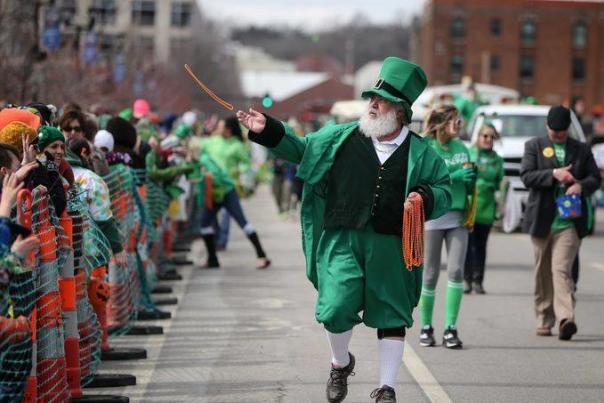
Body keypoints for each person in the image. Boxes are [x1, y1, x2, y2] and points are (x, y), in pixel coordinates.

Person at [238, 57, 451, 403]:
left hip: (392, 244)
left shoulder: (423, 154)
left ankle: (386, 388)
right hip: (342, 238)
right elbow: (302, 149)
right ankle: (340, 364)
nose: (372, 104)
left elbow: (444, 191)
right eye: (372, 98)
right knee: (335, 309)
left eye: (380, 100)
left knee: (392, 312)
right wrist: (269, 130)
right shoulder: (340, 138)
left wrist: (425, 195)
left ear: (399, 110)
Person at [520, 105, 600, 341]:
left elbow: (595, 178)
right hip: (542, 220)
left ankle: (566, 318)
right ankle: (544, 318)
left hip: (569, 222)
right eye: (555, 132)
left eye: (563, 132)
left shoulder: (582, 149)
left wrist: (580, 186)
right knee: (542, 272)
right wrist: (554, 174)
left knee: (561, 269)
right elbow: (526, 176)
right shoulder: (534, 146)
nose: (559, 135)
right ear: (547, 127)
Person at [419, 104, 475, 349]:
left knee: (455, 271)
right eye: (456, 122)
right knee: (430, 274)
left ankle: (451, 328)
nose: (460, 127)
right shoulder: (427, 147)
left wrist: (472, 178)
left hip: (458, 216)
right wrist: (455, 177)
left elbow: (469, 177)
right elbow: (424, 181)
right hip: (432, 217)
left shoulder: (462, 148)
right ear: (443, 123)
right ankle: (425, 327)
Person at [464, 124, 504, 294]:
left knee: (481, 246)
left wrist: (486, 184)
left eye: (491, 137)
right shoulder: (470, 154)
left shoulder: (497, 159)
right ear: (478, 137)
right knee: (467, 246)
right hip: (471, 207)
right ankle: (467, 280)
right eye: (485, 136)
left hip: (487, 209)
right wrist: (481, 183)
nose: (488, 140)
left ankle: (478, 281)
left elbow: (498, 183)